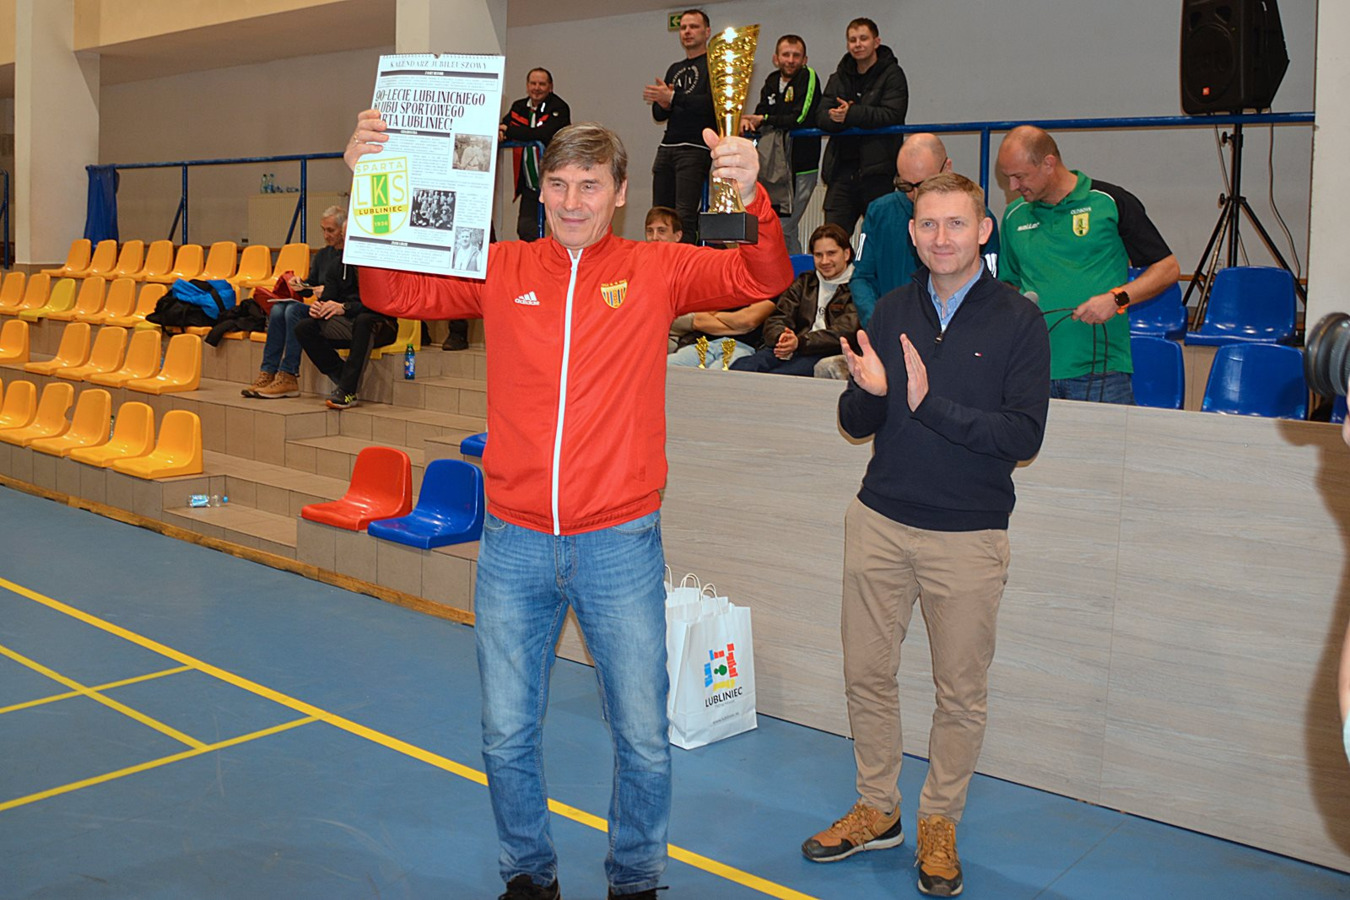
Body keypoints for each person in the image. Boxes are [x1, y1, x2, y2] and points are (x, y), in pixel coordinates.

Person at [345, 111, 791, 900]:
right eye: (558, 184)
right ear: (541, 190)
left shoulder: (657, 268)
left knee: (643, 737)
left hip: (620, 541)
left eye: (590, 185)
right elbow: (390, 289)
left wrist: (754, 197)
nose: (572, 201)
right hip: (513, 541)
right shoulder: (502, 265)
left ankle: (636, 877)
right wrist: (370, 184)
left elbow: (761, 278)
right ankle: (528, 873)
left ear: (619, 193)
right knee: (505, 733)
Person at [804, 173, 1050, 897]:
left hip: (968, 537)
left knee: (959, 694)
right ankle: (878, 808)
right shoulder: (890, 310)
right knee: (866, 676)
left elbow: (1023, 436)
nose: (942, 237)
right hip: (879, 521)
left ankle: (939, 821)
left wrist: (927, 403)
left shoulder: (1018, 320)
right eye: (929, 225)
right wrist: (868, 394)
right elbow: (857, 424)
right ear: (911, 234)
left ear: (983, 231)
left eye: (956, 223)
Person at [997, 125, 1181, 404]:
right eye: (1008, 177)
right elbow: (1009, 284)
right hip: (1031, 370)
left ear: (1049, 163)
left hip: (1101, 373)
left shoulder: (1109, 202)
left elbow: (1167, 268)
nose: (1012, 186)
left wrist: (1116, 299)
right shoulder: (1014, 216)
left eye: (1019, 176)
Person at [850, 134, 1001, 329]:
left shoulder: (977, 219)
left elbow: (987, 285)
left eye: (924, 184)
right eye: (905, 185)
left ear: (946, 168)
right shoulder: (879, 212)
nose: (915, 194)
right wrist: (879, 324)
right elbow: (862, 277)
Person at [817, 17, 908, 236]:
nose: (857, 44)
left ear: (876, 42)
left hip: (878, 172)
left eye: (863, 38)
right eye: (852, 40)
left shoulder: (893, 74)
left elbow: (893, 114)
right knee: (832, 239)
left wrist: (851, 114)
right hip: (841, 171)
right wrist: (835, 117)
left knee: (881, 238)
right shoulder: (838, 77)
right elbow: (820, 116)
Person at [245, 206, 349, 400]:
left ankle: (289, 374)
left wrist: (326, 291)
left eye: (331, 230)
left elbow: (349, 292)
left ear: (343, 230)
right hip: (319, 308)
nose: (326, 235)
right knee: (278, 308)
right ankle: (268, 371)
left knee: (292, 310)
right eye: (323, 230)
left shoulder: (349, 257)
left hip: (337, 311)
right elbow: (312, 284)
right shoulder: (323, 255)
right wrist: (301, 285)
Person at [731, 223, 858, 376]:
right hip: (793, 347)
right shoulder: (804, 282)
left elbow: (846, 332)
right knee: (741, 367)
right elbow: (777, 318)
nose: (824, 261)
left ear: (846, 254)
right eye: (818, 255)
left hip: (827, 351)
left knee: (780, 377)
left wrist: (800, 342)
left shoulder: (859, 286)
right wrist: (782, 337)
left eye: (831, 253)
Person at [741, 34, 821, 254]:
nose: (791, 60)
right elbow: (761, 112)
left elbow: (800, 117)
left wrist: (766, 119)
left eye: (796, 55)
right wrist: (751, 122)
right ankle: (794, 273)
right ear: (776, 58)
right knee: (779, 227)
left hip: (800, 166)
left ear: (805, 60)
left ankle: (791, 272)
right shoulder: (771, 80)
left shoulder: (808, 76)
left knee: (784, 227)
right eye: (786, 55)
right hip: (773, 167)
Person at [644, 8, 715, 244]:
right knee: (659, 215)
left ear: (707, 32)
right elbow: (659, 113)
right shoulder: (674, 68)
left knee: (683, 218)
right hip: (667, 147)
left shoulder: (714, 65)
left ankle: (685, 265)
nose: (687, 32)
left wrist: (674, 98)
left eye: (693, 26)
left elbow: (710, 106)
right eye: (683, 27)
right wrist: (665, 102)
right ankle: (660, 263)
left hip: (695, 148)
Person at [290, 253, 396, 410]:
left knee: (364, 321)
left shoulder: (381, 264)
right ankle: (343, 377)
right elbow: (327, 298)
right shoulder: (337, 265)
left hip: (381, 324)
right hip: (348, 323)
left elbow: (382, 305)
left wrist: (346, 307)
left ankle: (348, 390)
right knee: (304, 328)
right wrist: (319, 309)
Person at [500, 67, 572, 242]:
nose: (537, 88)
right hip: (531, 186)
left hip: (558, 185)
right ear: (527, 86)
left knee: (563, 232)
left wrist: (510, 131)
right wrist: (502, 131)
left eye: (542, 84)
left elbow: (543, 134)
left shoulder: (559, 108)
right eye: (533, 83)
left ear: (550, 87)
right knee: (527, 231)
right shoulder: (519, 107)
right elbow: (504, 125)